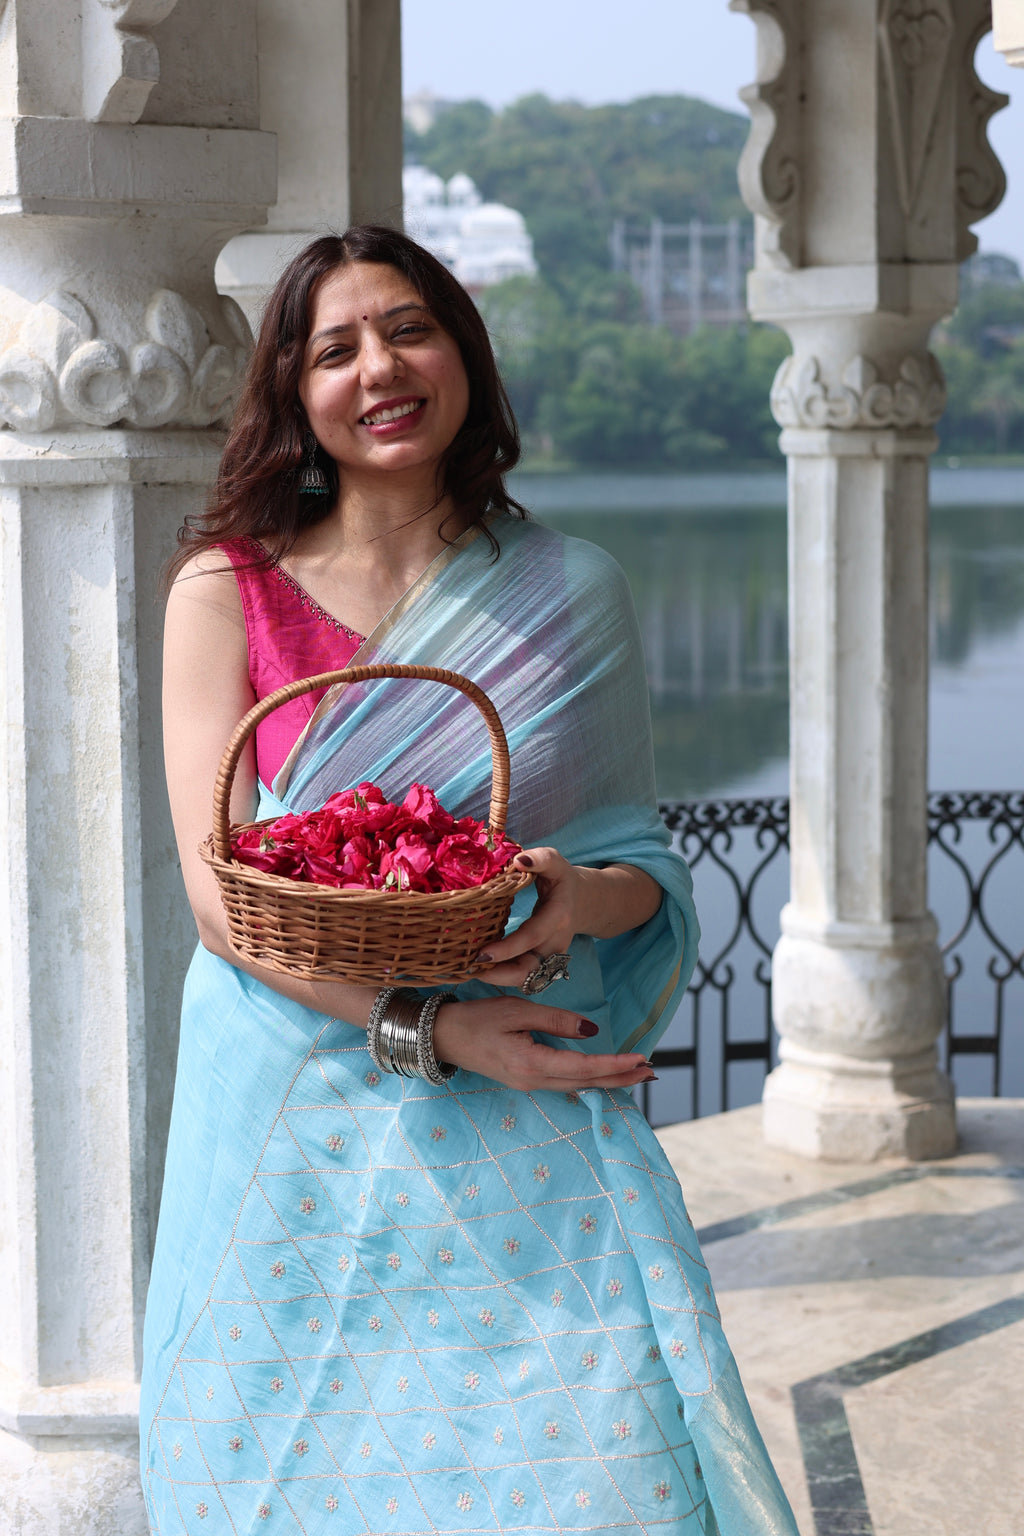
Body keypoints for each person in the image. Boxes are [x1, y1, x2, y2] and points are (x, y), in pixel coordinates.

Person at [142, 226, 799, 1535]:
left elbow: (637, 867)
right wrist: (433, 1030)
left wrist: (569, 894)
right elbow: (221, 903)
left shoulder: (570, 591)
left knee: (596, 1459)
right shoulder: (231, 590)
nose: (380, 368)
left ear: (465, 355)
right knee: (295, 1464)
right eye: (335, 348)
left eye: (410, 329)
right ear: (293, 392)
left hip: (527, 1118)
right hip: (295, 1110)